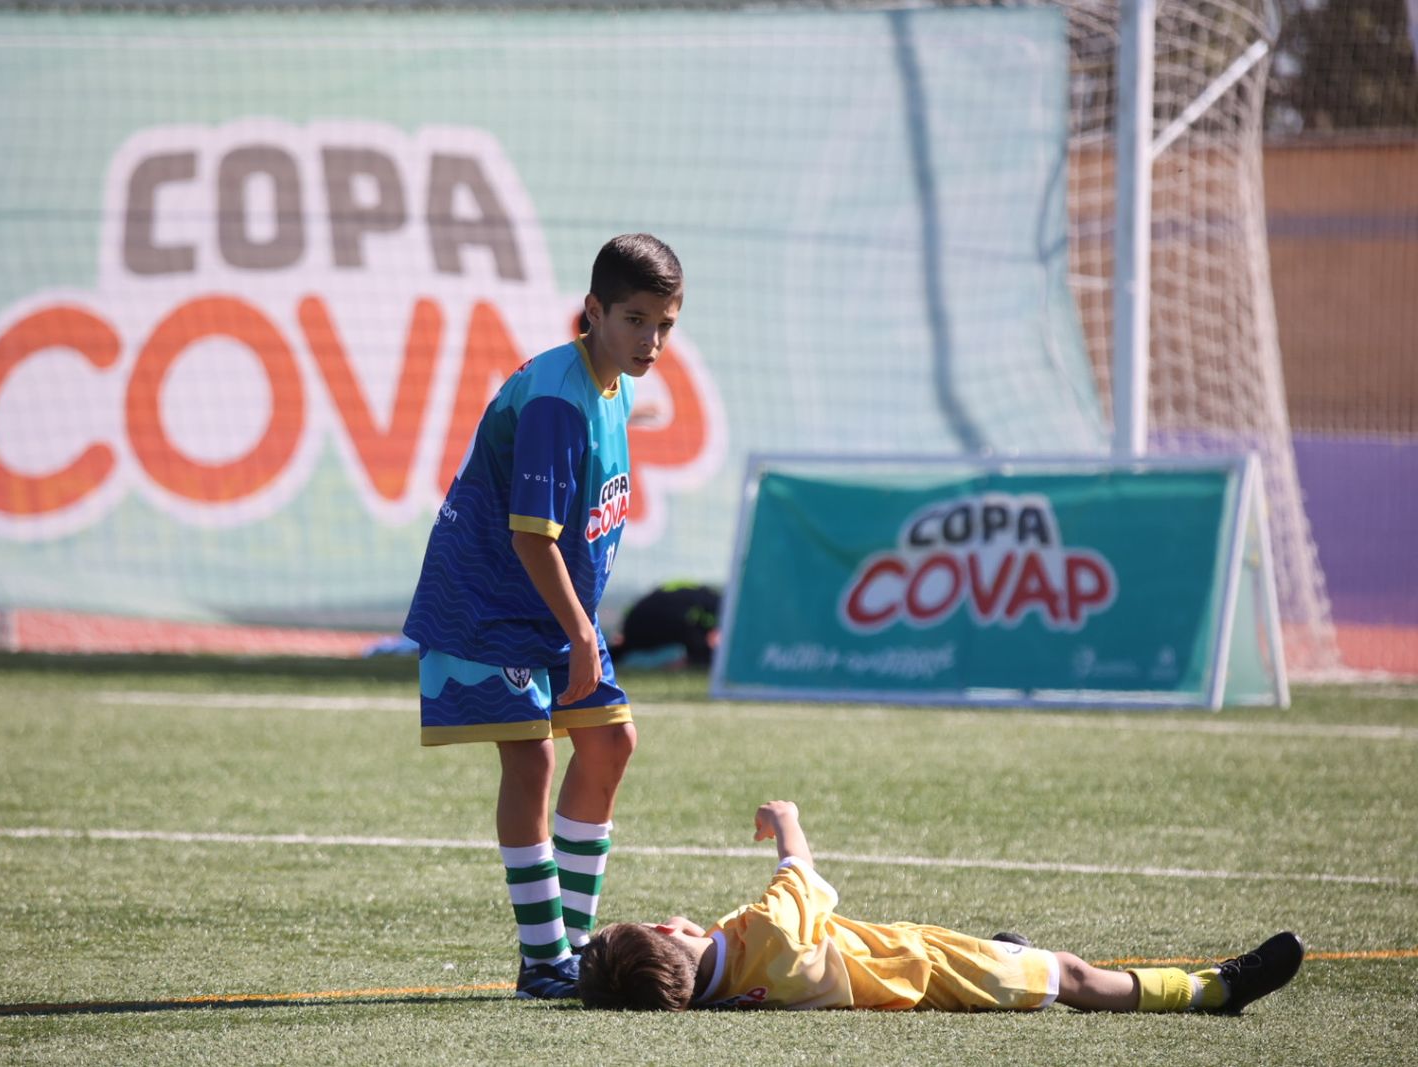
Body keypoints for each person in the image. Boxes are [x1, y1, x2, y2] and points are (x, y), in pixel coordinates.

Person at [402, 234, 684, 999]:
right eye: (634, 319)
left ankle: (580, 950)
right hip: (491, 605)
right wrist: (584, 632)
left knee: (610, 745)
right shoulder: (559, 401)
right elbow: (531, 538)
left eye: (665, 323)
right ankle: (543, 960)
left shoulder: (611, 382)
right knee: (532, 758)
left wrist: (578, 626)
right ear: (592, 311)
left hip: (554, 610)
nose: (651, 340)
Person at [578, 800, 1304, 1014]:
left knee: (1019, 960)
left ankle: (1014, 959)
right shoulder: (767, 931)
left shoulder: (723, 994)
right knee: (1076, 976)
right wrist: (785, 815)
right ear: (674, 929)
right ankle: (1213, 988)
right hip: (932, 968)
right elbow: (799, 870)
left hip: (918, 967)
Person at [608, 582, 721, 669]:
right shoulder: (717, 605)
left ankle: (606, 661)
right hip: (651, 622)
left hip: (634, 625)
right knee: (701, 650)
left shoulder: (703, 596)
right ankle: (688, 664)